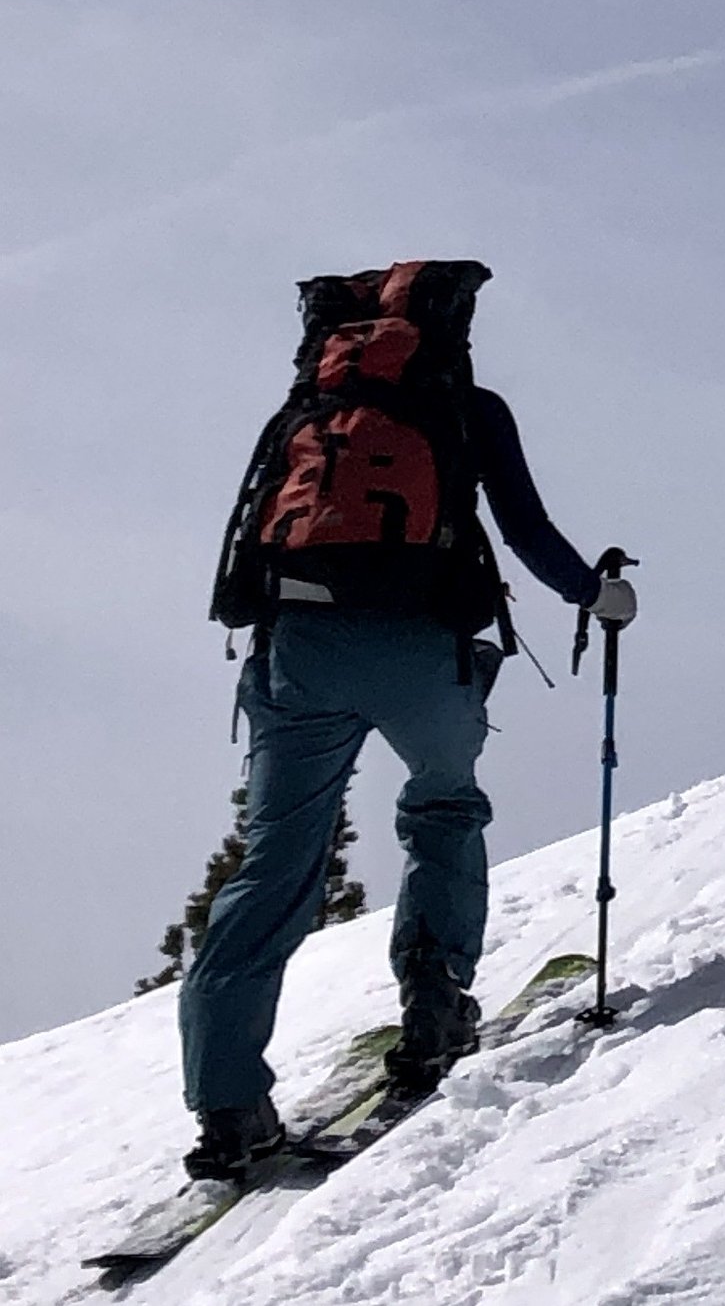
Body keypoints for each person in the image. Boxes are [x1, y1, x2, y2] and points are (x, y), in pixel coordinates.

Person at [180, 260, 631, 1183]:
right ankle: (434, 1005)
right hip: (423, 651)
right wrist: (600, 594)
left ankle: (228, 1106)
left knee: (272, 868)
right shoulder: (470, 408)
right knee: (443, 805)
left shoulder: (304, 411)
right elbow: (527, 531)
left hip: (298, 648)